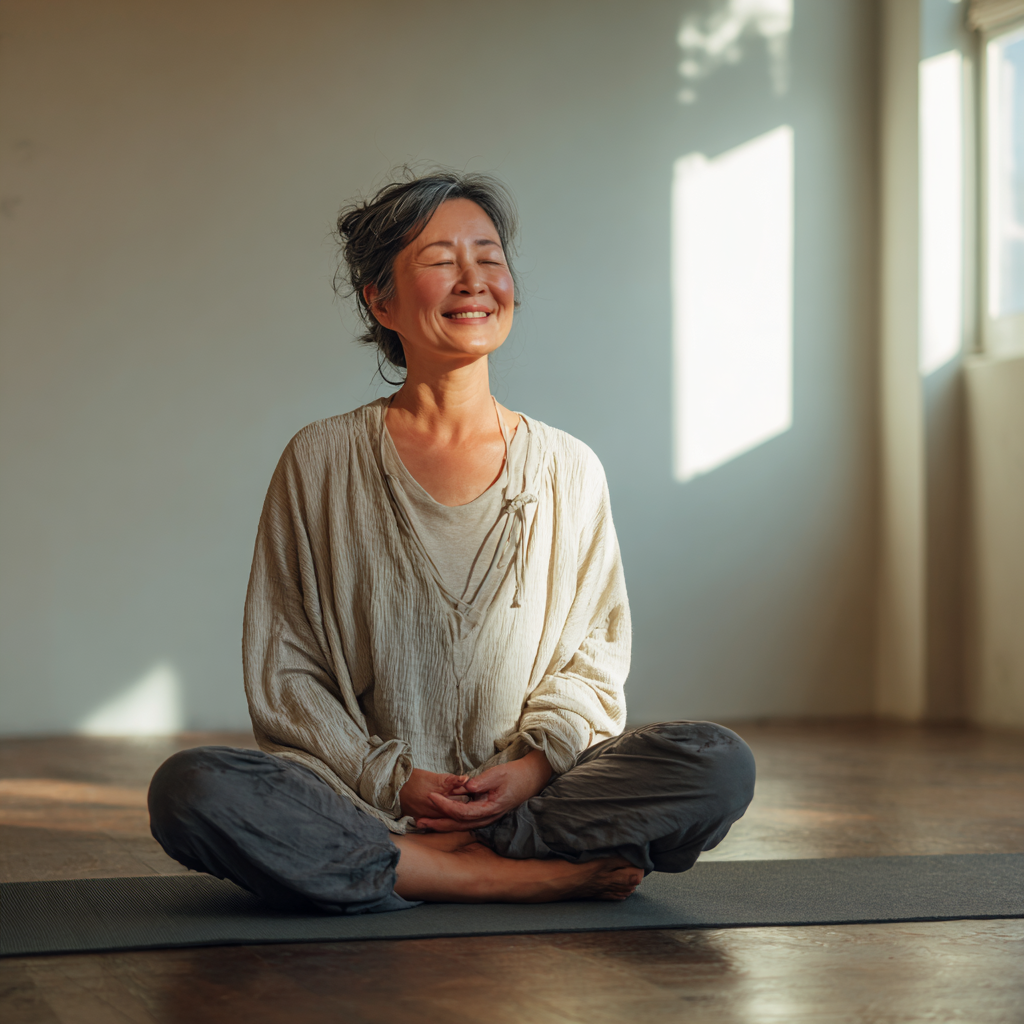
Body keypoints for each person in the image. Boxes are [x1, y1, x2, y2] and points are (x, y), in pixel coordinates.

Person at [148, 171, 755, 914]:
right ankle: (487, 876)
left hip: (537, 803)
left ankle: (411, 867)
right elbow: (287, 673)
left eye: (489, 257)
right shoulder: (320, 459)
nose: (474, 280)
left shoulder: (569, 466)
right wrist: (395, 783)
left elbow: (593, 661)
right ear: (381, 300)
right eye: (440, 261)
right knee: (192, 790)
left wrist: (530, 771)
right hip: (360, 800)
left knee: (718, 765)